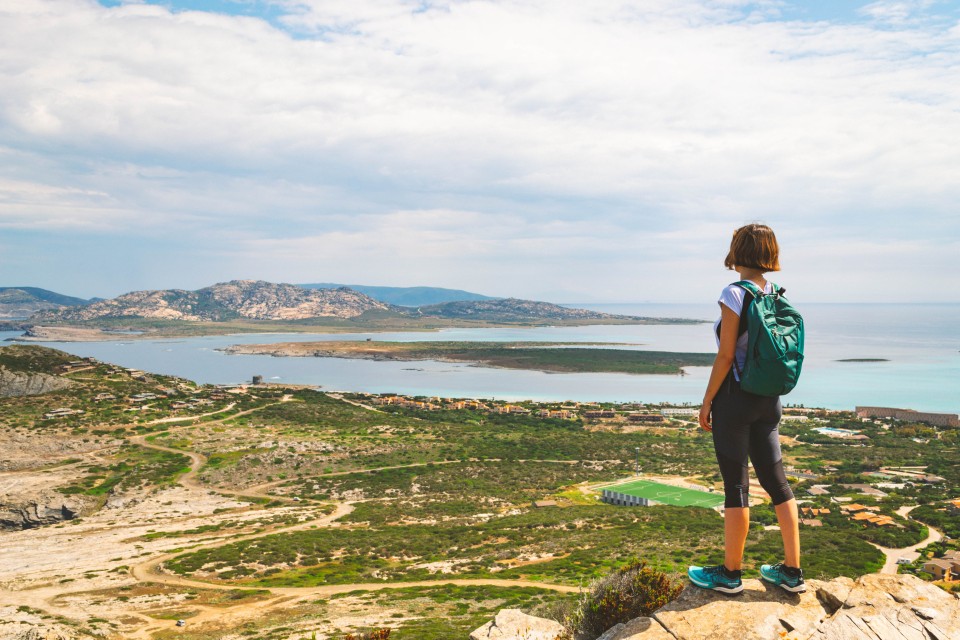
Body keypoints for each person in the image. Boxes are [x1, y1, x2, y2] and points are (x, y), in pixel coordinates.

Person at [687, 223, 804, 594]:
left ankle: (731, 574)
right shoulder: (774, 293)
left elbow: (725, 356)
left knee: (736, 487)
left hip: (735, 400)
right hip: (769, 401)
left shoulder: (735, 293)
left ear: (738, 250)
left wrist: (707, 401)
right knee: (778, 484)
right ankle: (792, 572)